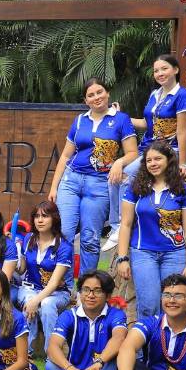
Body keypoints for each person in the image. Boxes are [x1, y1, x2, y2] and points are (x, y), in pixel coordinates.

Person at [48, 77, 138, 274]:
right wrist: (54, 187)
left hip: (98, 184)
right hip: (71, 181)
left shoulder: (121, 119)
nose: (96, 97)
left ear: (107, 94)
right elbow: (65, 155)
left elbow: (133, 153)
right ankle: (64, 286)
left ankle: (86, 287)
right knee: (65, 234)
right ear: (85, 100)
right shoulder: (80, 121)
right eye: (91, 95)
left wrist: (119, 162)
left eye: (99, 92)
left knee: (90, 237)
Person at [105, 54, 186, 250]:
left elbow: (182, 131)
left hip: (169, 150)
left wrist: (183, 163)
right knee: (113, 173)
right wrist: (121, 116)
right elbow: (147, 124)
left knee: (125, 174)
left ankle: (121, 224)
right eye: (156, 70)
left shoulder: (183, 96)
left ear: (176, 70)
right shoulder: (155, 94)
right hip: (147, 149)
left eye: (164, 69)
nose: (160, 73)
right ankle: (116, 226)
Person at [113, 141, 186, 319]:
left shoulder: (184, 190)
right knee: (148, 306)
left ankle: (169, 346)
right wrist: (122, 258)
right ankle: (146, 346)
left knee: (173, 306)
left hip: (175, 254)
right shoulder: (135, 189)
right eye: (149, 160)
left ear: (169, 160)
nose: (153, 163)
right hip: (143, 253)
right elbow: (126, 224)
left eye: (158, 159)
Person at [43, 269, 128, 370]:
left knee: (117, 355)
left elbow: (119, 338)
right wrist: (70, 368)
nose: (90, 295)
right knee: (50, 365)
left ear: (108, 296)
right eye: (86, 290)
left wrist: (100, 361)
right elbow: (52, 346)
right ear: (80, 293)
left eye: (97, 291)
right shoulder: (69, 316)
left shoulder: (116, 314)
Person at [15, 199, 73, 350]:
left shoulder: (64, 246)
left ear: (54, 218)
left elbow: (54, 284)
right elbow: (21, 271)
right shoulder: (28, 239)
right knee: (29, 300)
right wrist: (14, 253)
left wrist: (36, 301)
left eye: (45, 216)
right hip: (29, 288)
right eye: (36, 216)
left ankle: (51, 351)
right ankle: (27, 350)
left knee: (46, 305)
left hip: (57, 293)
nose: (40, 220)